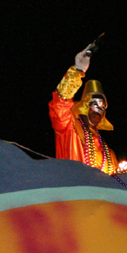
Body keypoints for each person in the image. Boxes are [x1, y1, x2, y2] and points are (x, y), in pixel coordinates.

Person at [48, 42, 117, 174]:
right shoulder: (69, 128)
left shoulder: (108, 153)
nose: (98, 110)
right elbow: (60, 102)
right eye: (95, 104)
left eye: (102, 107)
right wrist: (77, 70)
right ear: (86, 106)